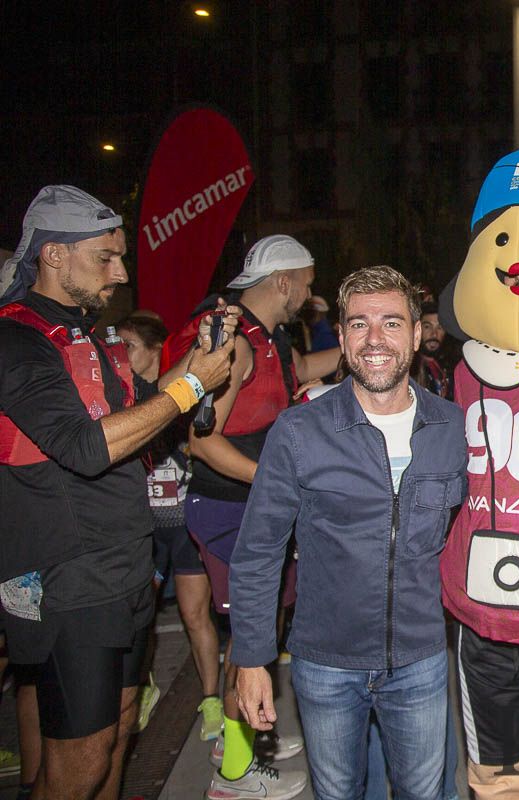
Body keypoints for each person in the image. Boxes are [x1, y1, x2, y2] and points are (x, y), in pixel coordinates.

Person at [0, 185, 235, 800]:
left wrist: (201, 361)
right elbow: (86, 447)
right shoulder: (16, 341)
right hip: (69, 577)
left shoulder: (90, 337)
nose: (122, 272)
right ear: (53, 256)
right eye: (105, 257)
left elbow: (146, 408)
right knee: (77, 762)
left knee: (121, 735)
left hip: (127, 568)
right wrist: (188, 390)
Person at [232, 265, 467, 799]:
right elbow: (258, 552)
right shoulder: (298, 431)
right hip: (324, 662)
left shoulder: (451, 426)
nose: (376, 339)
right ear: (340, 337)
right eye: (359, 325)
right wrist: (251, 658)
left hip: (421, 658)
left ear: (415, 332)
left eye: (390, 322)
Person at [181, 234, 340, 798]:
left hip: (251, 507)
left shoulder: (267, 336)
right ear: (283, 282)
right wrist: (276, 483)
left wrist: (364, 344)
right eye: (308, 281)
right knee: (250, 638)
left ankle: (238, 735)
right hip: (229, 509)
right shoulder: (238, 342)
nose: (310, 292)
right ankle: (232, 776)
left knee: (261, 628)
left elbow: (300, 367)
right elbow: (204, 443)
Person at [117, 313, 224, 740]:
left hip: (183, 525)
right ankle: (140, 687)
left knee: (195, 614)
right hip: (144, 530)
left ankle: (211, 699)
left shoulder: (179, 395)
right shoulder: (121, 401)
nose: (119, 355)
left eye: (128, 346)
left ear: (153, 350)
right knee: (137, 621)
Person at [415, 301, 450, 397]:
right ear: (417, 329)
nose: (434, 334)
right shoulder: (409, 369)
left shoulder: (449, 367)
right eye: (427, 327)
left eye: (440, 327)